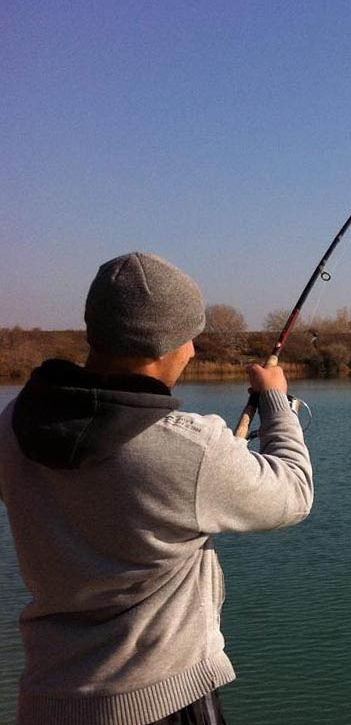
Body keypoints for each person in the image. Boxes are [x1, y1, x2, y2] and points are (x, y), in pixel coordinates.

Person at [0, 252, 314, 725]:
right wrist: (275, 399)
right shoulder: (190, 448)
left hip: (47, 701)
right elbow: (294, 492)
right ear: (161, 346)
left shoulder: (13, 425)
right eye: (189, 338)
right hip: (161, 702)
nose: (191, 352)